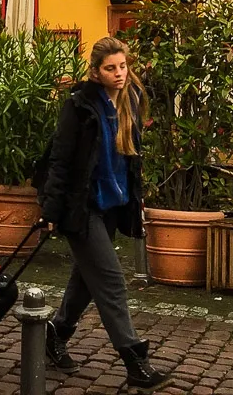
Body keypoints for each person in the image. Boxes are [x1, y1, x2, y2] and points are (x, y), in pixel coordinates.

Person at [39, 36, 169, 391]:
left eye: (122, 66)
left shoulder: (131, 100)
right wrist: (50, 210)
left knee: (86, 278)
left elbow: (130, 160)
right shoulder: (79, 106)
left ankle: (55, 334)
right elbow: (60, 160)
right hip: (81, 207)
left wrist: (135, 198)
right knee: (111, 281)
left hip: (113, 204)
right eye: (111, 68)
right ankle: (135, 362)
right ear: (96, 72)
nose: (119, 73)